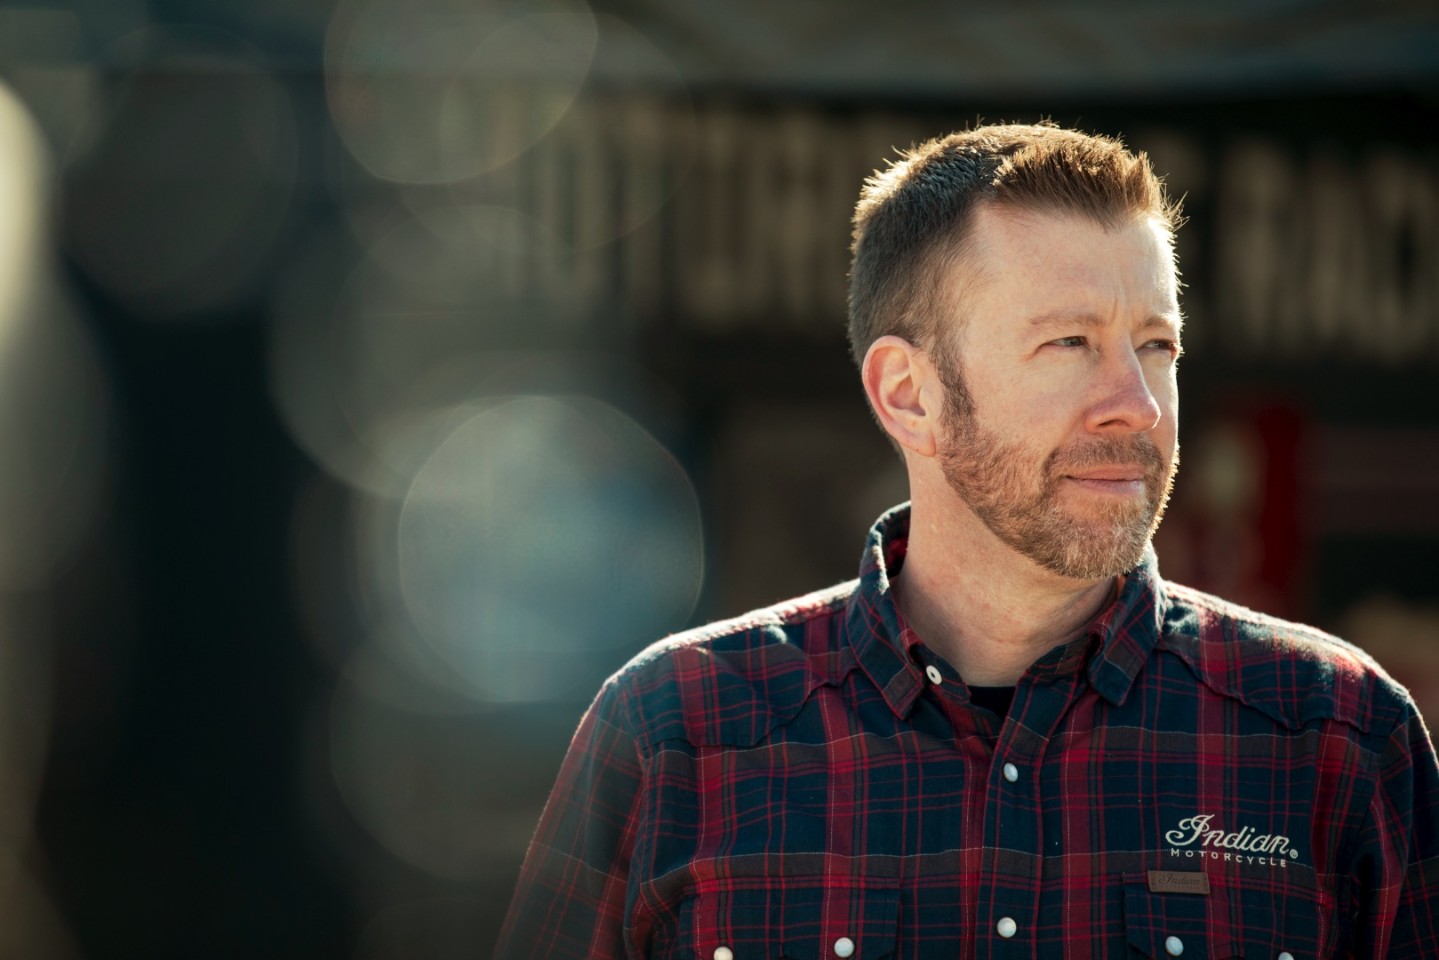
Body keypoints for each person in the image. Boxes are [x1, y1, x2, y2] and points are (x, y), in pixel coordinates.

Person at [494, 123, 1439, 958]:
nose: (1137, 406)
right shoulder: (674, 735)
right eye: (1068, 343)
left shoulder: (1338, 738)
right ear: (908, 393)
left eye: (1155, 344)